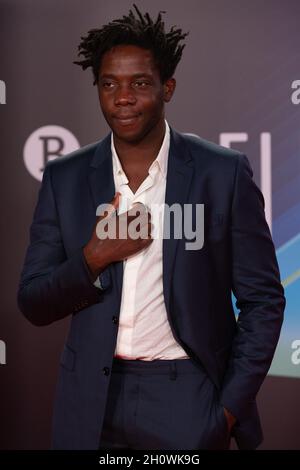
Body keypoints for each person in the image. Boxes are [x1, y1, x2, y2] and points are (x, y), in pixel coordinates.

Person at [18, 4, 285, 450]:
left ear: (168, 88)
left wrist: (227, 410)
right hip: (90, 399)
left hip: (187, 394)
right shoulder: (64, 178)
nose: (123, 97)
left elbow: (263, 300)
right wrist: (94, 257)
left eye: (139, 83)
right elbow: (33, 302)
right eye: (109, 84)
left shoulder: (222, 174)